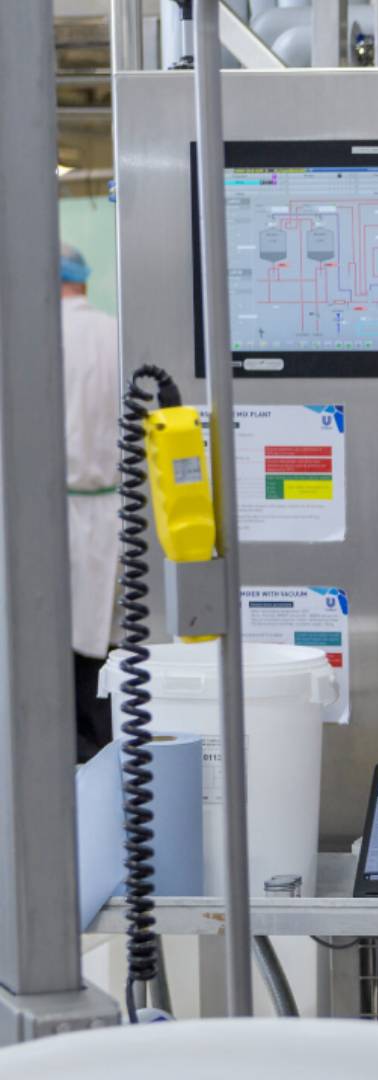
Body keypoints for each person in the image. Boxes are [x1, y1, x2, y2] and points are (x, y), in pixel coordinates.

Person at [59, 243, 121, 763]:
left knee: (55, 637)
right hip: (114, 512)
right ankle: (101, 755)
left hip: (48, 512)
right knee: (102, 637)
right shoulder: (116, 333)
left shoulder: (32, 337)